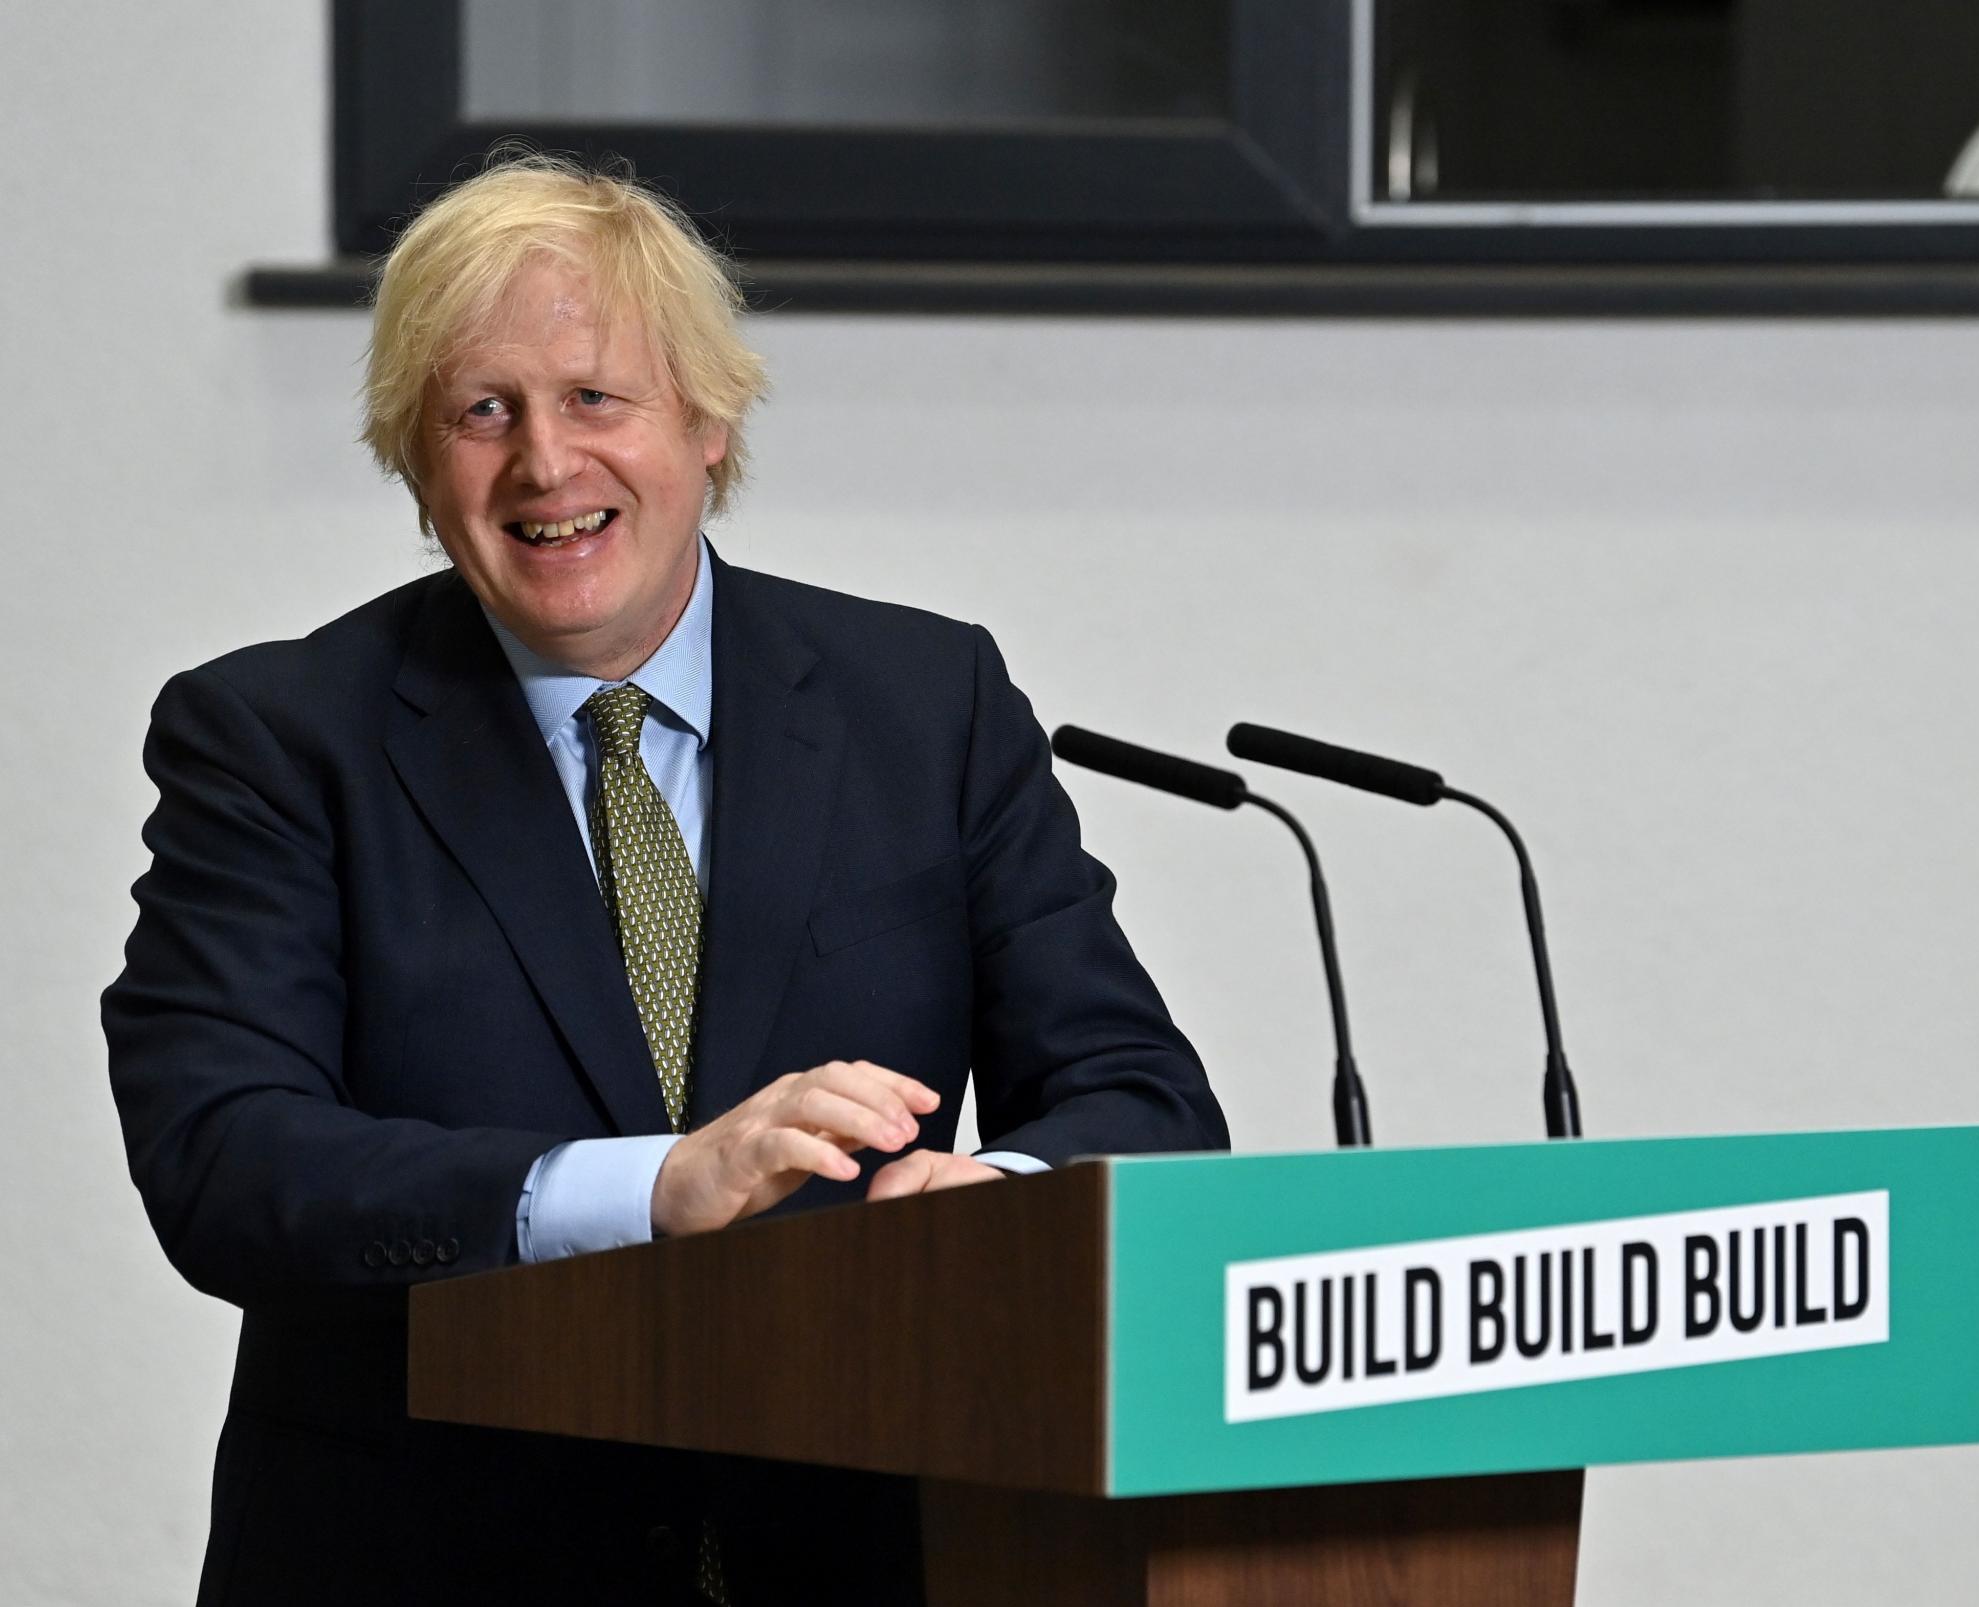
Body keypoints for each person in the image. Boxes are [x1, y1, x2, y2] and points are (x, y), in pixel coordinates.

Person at [103, 153, 1225, 1606]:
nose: (545, 465)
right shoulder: (275, 739)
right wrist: (647, 1188)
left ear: (707, 422)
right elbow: (227, 1160)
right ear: (414, 456)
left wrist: (993, 1205)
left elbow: (1140, 1096)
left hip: (862, 1554)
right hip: (429, 1566)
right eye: (479, 411)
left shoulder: (924, 702)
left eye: (594, 399)